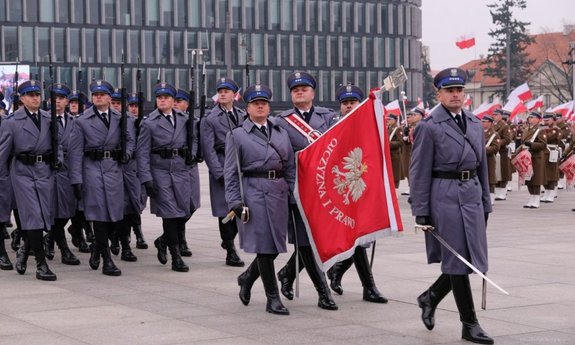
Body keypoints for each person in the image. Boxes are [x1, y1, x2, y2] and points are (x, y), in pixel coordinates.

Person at [410, 68, 494, 344]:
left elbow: (482, 165)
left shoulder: (473, 122)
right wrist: (420, 210)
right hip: (444, 196)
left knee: (470, 258)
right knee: (458, 259)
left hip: (471, 195)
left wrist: (485, 202)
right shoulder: (428, 126)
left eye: (459, 90)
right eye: (450, 90)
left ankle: (431, 296)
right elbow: (419, 171)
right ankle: (469, 323)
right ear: (439, 94)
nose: (456, 95)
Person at [226, 84, 295, 315]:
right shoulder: (237, 135)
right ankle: (272, 298)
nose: (260, 106)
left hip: (279, 191)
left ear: (269, 106)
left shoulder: (280, 131)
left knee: (274, 247)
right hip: (254, 192)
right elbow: (231, 171)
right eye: (255, 103)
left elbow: (290, 167)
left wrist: (294, 193)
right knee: (266, 248)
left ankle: (247, 277)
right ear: (247, 108)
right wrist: (234, 201)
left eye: (263, 103)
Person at [274, 71, 338, 311]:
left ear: (313, 92)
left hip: (324, 191)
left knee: (315, 241)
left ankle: (282, 273)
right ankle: (323, 293)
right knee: (305, 242)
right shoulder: (282, 121)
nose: (299, 91)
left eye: (304, 88)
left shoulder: (328, 117)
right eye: (295, 89)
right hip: (298, 189)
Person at [326, 84, 388, 304]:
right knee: (353, 240)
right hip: (341, 190)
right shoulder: (333, 125)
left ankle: (340, 273)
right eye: (345, 103)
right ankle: (367, 286)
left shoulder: (370, 125)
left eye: (353, 102)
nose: (349, 106)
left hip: (362, 189)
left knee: (361, 239)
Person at [68, 80, 135, 276]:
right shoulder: (81, 121)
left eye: (102, 94)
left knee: (115, 215)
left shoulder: (121, 117)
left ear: (109, 97)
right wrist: (76, 180)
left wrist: (127, 154)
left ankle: (97, 246)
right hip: (92, 169)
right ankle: (107, 259)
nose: (98, 97)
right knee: (98, 215)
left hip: (114, 168)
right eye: (95, 94)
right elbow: (75, 152)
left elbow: (130, 139)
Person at [0, 80, 62, 281]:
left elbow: (57, 144)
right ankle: (41, 264)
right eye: (30, 94)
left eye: (37, 94)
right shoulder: (11, 122)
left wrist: (58, 161)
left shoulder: (48, 118)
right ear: (22, 98)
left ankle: (25, 250)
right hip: (22, 173)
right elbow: (3, 153)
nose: (35, 98)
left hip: (44, 171)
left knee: (45, 216)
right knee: (33, 215)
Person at [136, 82, 192, 272]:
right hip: (160, 173)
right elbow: (142, 153)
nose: (162, 100)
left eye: (166, 97)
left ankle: (162, 241)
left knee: (183, 212)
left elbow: (195, 138)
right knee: (170, 214)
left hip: (180, 171)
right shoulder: (148, 123)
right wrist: (146, 179)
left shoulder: (184, 119)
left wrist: (193, 154)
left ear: (172, 101)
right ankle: (176, 257)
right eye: (159, 97)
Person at [200, 78, 245, 267]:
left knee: (240, 209)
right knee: (224, 211)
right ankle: (230, 250)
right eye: (220, 91)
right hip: (222, 165)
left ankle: (228, 240)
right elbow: (208, 149)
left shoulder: (242, 115)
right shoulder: (210, 119)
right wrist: (219, 173)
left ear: (235, 95)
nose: (223, 93)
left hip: (241, 168)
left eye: (227, 91)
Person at [43, 83, 81, 266]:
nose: (57, 101)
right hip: (49, 169)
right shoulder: (43, 119)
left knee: (67, 209)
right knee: (52, 209)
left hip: (68, 170)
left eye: (60, 98)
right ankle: (63, 249)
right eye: (54, 98)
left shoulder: (75, 121)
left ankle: (50, 238)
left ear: (66, 101)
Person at [519, 111, 547, 209]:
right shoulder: (527, 129)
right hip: (526, 157)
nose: (529, 119)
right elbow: (523, 143)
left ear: (538, 119)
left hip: (536, 157)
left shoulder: (540, 130)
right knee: (528, 178)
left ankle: (536, 199)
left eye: (532, 117)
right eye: (529, 117)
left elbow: (543, 145)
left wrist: (531, 145)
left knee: (536, 179)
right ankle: (531, 197)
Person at [401, 107, 425, 196]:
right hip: (414, 153)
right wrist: (406, 135)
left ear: (421, 116)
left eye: (415, 115)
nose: (412, 117)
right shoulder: (413, 127)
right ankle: (413, 187)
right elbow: (408, 142)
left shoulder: (423, 125)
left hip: (422, 154)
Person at [492, 109, 513, 201]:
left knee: (503, 171)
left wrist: (497, 143)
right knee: (496, 171)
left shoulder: (505, 126)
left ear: (500, 116)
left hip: (502, 151)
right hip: (494, 151)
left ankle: (503, 192)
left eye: (496, 115)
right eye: (493, 115)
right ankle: (497, 191)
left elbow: (508, 139)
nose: (494, 116)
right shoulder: (492, 125)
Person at [540, 112, 562, 203]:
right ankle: (547, 192)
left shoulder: (556, 129)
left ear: (553, 120)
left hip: (551, 152)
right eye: (544, 120)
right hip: (544, 152)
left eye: (547, 120)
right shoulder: (543, 129)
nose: (545, 122)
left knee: (552, 173)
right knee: (544, 173)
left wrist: (542, 132)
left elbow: (546, 138)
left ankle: (551, 194)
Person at [482, 115, 501, 205]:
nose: (482, 123)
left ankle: (491, 197)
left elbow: (496, 147)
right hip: (481, 159)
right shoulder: (479, 132)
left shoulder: (494, 134)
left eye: (484, 122)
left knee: (490, 178)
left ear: (490, 123)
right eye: (482, 121)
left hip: (489, 158)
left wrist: (484, 150)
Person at [387, 113, 404, 188]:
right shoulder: (388, 128)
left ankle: (395, 192)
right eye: (387, 119)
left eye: (389, 119)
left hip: (395, 155)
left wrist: (389, 144)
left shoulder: (397, 129)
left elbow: (401, 142)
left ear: (394, 120)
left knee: (395, 175)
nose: (388, 120)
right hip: (389, 155)